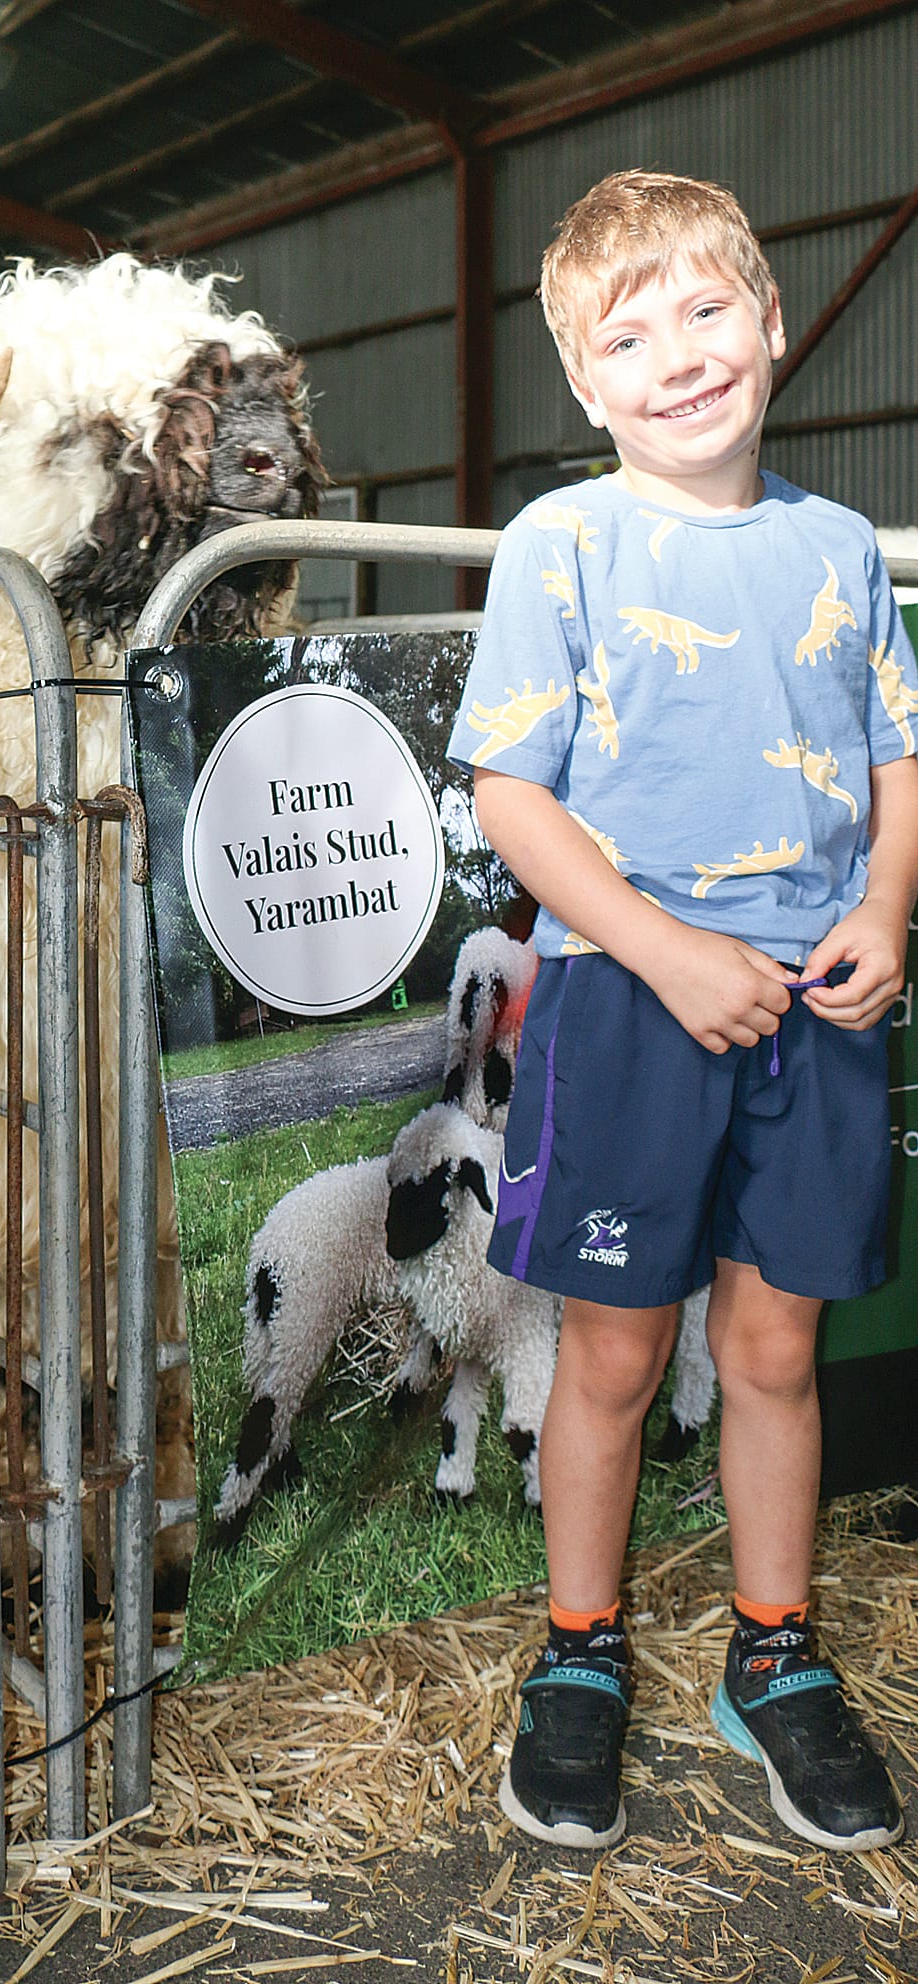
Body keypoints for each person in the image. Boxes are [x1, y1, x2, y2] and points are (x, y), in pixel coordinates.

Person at [449, 169, 918, 1854]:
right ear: (587, 385)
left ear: (772, 324)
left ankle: (774, 1654)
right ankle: (581, 1652)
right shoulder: (565, 543)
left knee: (776, 1346)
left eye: (706, 312)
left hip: (820, 997)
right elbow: (514, 797)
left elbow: (894, 757)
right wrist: (661, 950)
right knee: (617, 1346)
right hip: (631, 1000)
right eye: (626, 337)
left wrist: (882, 908)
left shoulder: (843, 549)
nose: (678, 358)